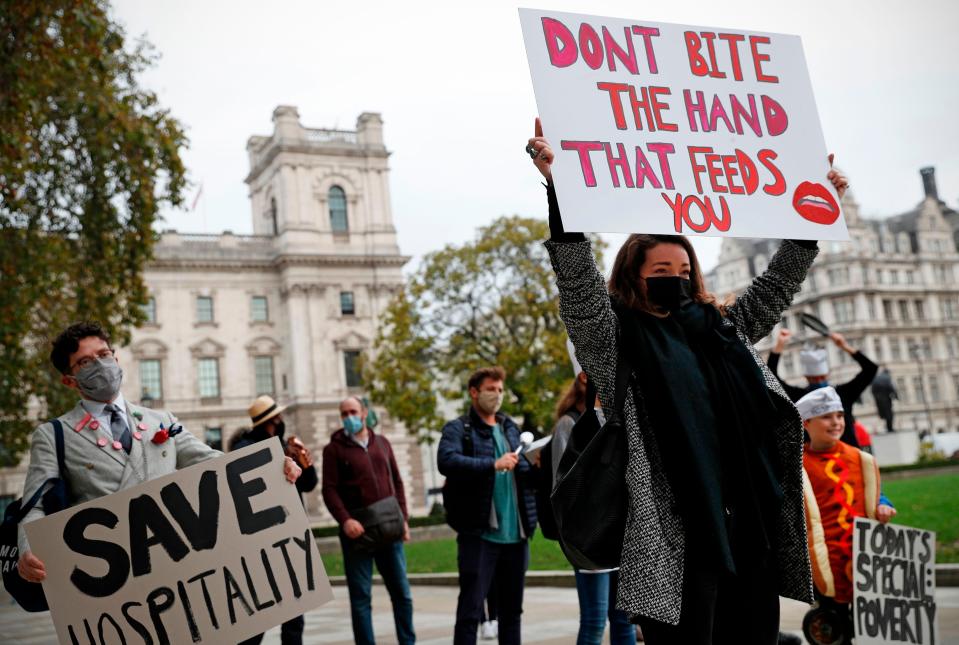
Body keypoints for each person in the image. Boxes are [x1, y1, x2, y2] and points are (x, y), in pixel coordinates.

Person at [527, 119, 848, 643]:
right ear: (634, 275)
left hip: (749, 527)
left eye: (682, 267)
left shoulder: (724, 330)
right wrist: (559, 190)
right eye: (660, 268)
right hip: (677, 541)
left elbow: (777, 285)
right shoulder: (617, 343)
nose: (674, 277)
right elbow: (579, 286)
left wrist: (816, 209)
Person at [16, 322, 302, 584]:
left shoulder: (162, 420)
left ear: (116, 358)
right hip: (112, 578)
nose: (100, 365)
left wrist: (273, 465)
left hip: (177, 566)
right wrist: (28, 552)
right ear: (69, 380)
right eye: (86, 362)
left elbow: (213, 462)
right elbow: (34, 506)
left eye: (104, 355)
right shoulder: (54, 435)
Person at [438, 366, 538, 645]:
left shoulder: (509, 427)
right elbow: (446, 461)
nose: (497, 395)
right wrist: (492, 464)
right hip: (479, 535)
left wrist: (539, 464)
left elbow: (526, 477)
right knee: (470, 611)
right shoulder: (459, 428)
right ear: (474, 392)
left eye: (500, 390)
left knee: (512, 613)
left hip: (516, 536)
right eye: (490, 389)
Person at [798, 387, 896, 642]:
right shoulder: (799, 465)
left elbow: (874, 493)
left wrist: (883, 505)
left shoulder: (859, 458)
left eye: (840, 416)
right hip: (825, 558)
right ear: (806, 422)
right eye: (827, 416)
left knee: (871, 623)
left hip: (862, 553)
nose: (836, 422)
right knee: (834, 624)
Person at [551, 359, 637, 645]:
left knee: (624, 619)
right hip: (588, 530)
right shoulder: (571, 423)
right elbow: (563, 485)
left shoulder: (617, 416)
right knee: (595, 619)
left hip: (617, 528)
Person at [321, 396, 415, 645]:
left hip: (390, 530)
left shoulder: (382, 444)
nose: (348, 417)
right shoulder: (333, 450)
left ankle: (408, 642)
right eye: (344, 414)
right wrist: (345, 520)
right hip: (358, 534)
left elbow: (397, 482)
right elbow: (329, 490)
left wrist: (404, 519)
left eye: (352, 411)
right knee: (361, 598)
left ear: (364, 413)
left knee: (402, 595)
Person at [235, 395, 319, 645]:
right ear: (268, 422)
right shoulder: (245, 445)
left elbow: (309, 484)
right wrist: (280, 458)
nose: (281, 421)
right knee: (259, 616)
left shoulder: (284, 445)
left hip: (290, 536)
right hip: (262, 539)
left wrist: (305, 462)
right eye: (277, 418)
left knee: (295, 614)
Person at [768, 328, 878, 447]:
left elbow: (870, 369)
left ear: (827, 374)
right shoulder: (799, 397)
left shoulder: (843, 393)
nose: (835, 423)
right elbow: (770, 377)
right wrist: (779, 344)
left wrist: (844, 345)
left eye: (839, 416)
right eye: (814, 378)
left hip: (847, 454)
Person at [870, 367, 898, 433]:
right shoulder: (887, 377)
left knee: (884, 413)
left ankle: (888, 426)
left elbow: (872, 389)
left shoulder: (877, 377)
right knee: (889, 413)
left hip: (878, 398)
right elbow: (891, 387)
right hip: (885, 398)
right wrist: (896, 396)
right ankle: (890, 428)